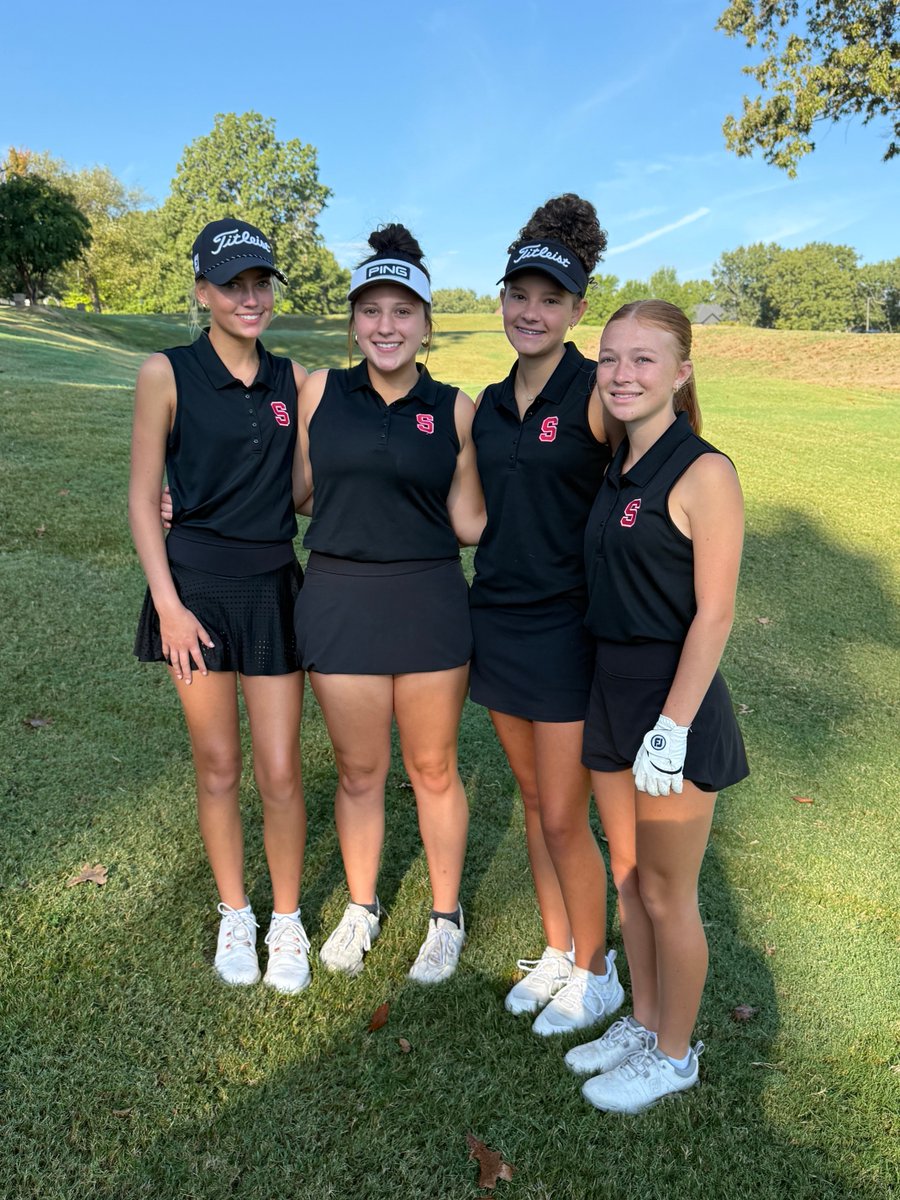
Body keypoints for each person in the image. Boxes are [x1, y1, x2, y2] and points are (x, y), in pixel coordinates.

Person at [565, 299, 749, 1113]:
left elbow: (716, 614)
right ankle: (644, 1022)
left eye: (644, 359)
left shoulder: (704, 471)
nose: (622, 373)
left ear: (682, 373)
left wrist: (672, 729)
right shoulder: (618, 465)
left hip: (674, 705)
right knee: (630, 877)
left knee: (670, 892)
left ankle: (675, 1055)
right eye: (610, 357)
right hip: (611, 689)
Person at [292, 224, 484, 984]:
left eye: (403, 311)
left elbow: (470, 520)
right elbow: (297, 493)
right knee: (358, 769)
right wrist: (193, 504)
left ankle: (445, 916)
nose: (386, 326)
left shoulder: (456, 408)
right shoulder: (320, 391)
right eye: (370, 310)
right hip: (339, 600)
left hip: (430, 601)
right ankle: (362, 905)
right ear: (352, 322)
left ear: (427, 324)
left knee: (433, 767)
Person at [129, 218, 311, 993]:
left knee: (281, 769)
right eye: (232, 285)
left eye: (259, 283)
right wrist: (168, 605)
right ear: (202, 292)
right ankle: (236, 913)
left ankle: (287, 921)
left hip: (272, 588)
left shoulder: (294, 380)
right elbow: (143, 500)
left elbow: (302, 492)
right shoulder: (165, 373)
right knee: (217, 764)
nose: (249, 298)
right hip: (195, 592)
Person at [469, 195, 624, 1035]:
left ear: (577, 310)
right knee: (533, 801)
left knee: (565, 813)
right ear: (503, 299)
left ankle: (598, 971)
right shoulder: (490, 404)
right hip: (496, 619)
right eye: (519, 295)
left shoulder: (596, 391)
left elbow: (653, 479)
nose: (531, 312)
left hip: (568, 628)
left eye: (550, 300)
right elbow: (458, 509)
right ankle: (560, 948)